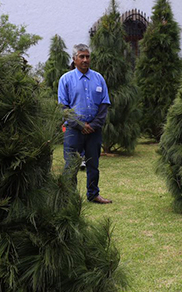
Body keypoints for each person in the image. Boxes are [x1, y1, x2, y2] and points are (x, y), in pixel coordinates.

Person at [57, 43, 112, 204]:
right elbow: (63, 107)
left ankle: (93, 194)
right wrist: (81, 125)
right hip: (73, 131)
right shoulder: (66, 79)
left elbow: (104, 104)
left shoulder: (98, 78)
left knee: (93, 164)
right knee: (71, 165)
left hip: (94, 130)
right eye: (81, 56)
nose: (85, 59)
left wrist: (93, 125)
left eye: (87, 56)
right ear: (74, 59)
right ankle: (70, 197)